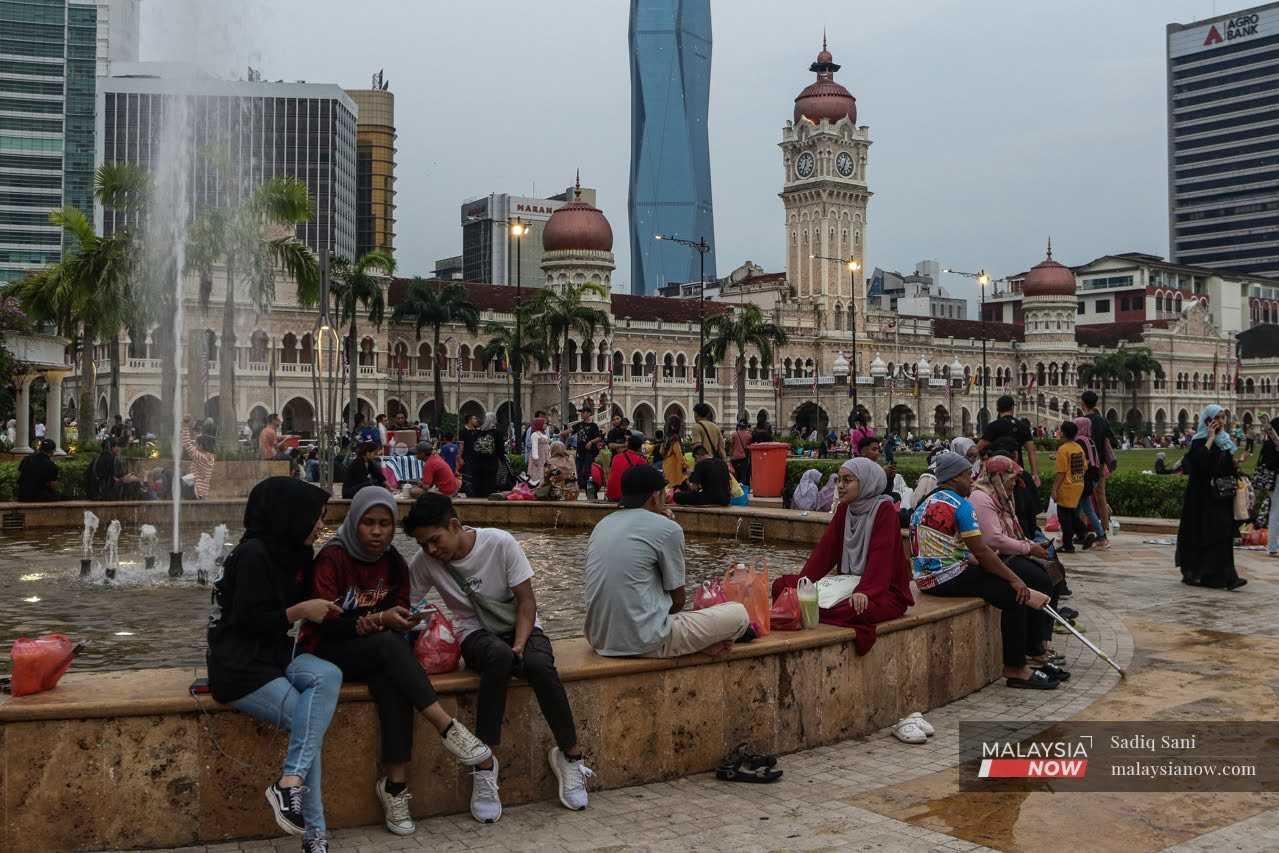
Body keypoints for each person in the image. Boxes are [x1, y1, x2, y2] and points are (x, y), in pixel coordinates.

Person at [302, 487, 492, 837]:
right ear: (354, 522)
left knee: (393, 681)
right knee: (388, 647)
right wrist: (378, 620)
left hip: (376, 653)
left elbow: (401, 608)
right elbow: (323, 623)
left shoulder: (393, 564)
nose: (377, 531)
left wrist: (405, 619)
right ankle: (448, 727)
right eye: (368, 523)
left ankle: (395, 788)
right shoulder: (332, 559)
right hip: (328, 650)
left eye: (385, 524)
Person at [405, 494, 591, 822]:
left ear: (455, 525)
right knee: (498, 658)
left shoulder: (500, 543)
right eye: (424, 545)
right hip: (474, 632)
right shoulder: (426, 563)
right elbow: (406, 601)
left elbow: (526, 602)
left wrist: (520, 644)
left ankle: (571, 756)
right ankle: (484, 764)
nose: (432, 551)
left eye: (435, 541)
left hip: (519, 625)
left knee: (538, 665)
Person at [207, 477, 343, 851]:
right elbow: (248, 622)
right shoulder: (252, 555)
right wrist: (301, 610)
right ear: (291, 515)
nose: (320, 525)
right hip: (239, 666)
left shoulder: (296, 553)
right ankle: (316, 835)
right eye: (316, 517)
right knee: (307, 718)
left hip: (275, 657)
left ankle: (290, 783)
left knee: (329, 675)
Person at [910, 451, 1058, 689]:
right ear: (954, 477)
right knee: (1016, 596)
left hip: (927, 578)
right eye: (968, 475)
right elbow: (983, 552)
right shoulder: (961, 505)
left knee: (1009, 582)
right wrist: (1015, 580)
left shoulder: (927, 501)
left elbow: (952, 547)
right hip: (946, 578)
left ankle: (1030, 653)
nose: (972, 480)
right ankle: (1016, 667)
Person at [585, 465, 750, 658]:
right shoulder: (667, 528)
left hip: (599, 639)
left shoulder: (602, 525)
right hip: (645, 641)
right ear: (655, 496)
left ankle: (699, 643)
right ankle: (701, 643)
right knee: (739, 614)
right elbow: (678, 601)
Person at [773, 458, 914, 654]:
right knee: (782, 586)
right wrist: (803, 583)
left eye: (847, 480)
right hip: (848, 584)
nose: (840, 486)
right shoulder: (845, 509)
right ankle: (813, 608)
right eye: (839, 480)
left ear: (866, 482)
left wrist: (866, 591)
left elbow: (880, 558)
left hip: (883, 592)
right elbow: (824, 552)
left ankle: (811, 611)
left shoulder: (885, 511)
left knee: (858, 609)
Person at [969, 456, 1065, 674]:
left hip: (1007, 553)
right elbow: (994, 539)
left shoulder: (1002, 495)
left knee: (1055, 573)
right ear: (999, 477)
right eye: (1012, 478)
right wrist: (1028, 548)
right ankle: (1033, 646)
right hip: (994, 557)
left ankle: (1041, 640)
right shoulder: (981, 497)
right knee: (1039, 580)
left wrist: (1030, 545)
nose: (1014, 484)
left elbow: (1012, 530)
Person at [1178, 405, 1246, 590]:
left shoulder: (1225, 442)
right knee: (1209, 534)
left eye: (1223, 417)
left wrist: (1238, 463)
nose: (1221, 422)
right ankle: (1207, 574)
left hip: (1221, 496)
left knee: (1224, 534)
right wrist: (1209, 438)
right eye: (1217, 418)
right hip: (1202, 497)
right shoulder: (1200, 441)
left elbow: (1225, 466)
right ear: (1208, 421)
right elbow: (1199, 464)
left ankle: (1227, 576)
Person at [977, 395, 1041, 537]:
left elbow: (979, 447)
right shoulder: (1022, 426)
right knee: (1019, 506)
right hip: (1016, 473)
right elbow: (1031, 450)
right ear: (1012, 408)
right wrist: (1034, 473)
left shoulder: (993, 426)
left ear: (998, 408)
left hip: (997, 475)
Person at [1080, 390, 1117, 531]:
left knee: (1084, 496)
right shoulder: (1102, 421)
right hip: (1100, 463)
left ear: (1083, 403)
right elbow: (1111, 440)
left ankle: (1084, 530)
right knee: (1101, 496)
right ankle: (1105, 528)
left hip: (1086, 463)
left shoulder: (1082, 422)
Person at [1072, 416, 1109, 549]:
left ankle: (1098, 535)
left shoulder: (1080, 441)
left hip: (1085, 478)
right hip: (1093, 477)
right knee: (1082, 508)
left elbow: (1079, 460)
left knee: (1082, 509)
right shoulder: (1090, 440)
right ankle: (1084, 534)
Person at [1052, 421, 1088, 553]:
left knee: (1064, 517)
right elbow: (1084, 467)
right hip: (1078, 484)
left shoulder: (1063, 449)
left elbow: (1061, 473)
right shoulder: (1078, 447)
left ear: (1063, 433)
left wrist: (1054, 489)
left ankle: (1068, 545)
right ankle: (1083, 533)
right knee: (1072, 514)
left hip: (1066, 486)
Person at [180, 415, 216, 500]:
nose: (195, 446)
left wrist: (185, 425)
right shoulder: (209, 457)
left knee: (177, 483)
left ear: (201, 446)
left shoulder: (200, 457)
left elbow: (187, 444)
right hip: (203, 492)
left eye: (196, 444)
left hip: (196, 491)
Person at [606, 432, 648, 503]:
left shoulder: (616, 457)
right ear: (640, 447)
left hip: (611, 496)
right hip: (625, 497)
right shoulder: (641, 460)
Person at [468, 413, 503, 497]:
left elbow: (472, 447)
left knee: (479, 482)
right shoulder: (497, 432)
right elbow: (500, 449)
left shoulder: (478, 432)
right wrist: (502, 460)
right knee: (490, 482)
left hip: (478, 463)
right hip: (491, 462)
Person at [572, 406, 603, 497]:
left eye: (583, 412)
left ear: (589, 413)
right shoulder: (579, 425)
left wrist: (590, 442)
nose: (581, 414)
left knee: (587, 473)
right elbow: (570, 431)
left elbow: (599, 437)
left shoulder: (594, 426)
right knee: (579, 473)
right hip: (580, 453)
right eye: (581, 412)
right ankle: (586, 490)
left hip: (589, 454)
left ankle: (591, 493)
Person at [659, 414, 688, 487]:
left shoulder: (666, 438)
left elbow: (661, 452)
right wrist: (685, 466)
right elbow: (679, 454)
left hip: (666, 465)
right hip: (674, 468)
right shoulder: (675, 439)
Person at [729, 419, 753, 485]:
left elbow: (731, 446)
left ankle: (736, 490)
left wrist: (730, 457)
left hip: (734, 458)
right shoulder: (749, 435)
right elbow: (749, 447)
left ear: (739, 426)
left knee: (735, 475)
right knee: (743, 476)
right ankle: (743, 490)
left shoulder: (734, 434)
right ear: (746, 426)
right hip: (744, 458)